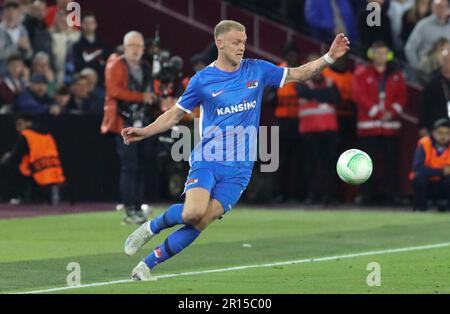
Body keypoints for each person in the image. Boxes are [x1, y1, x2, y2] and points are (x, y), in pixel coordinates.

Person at [121, 20, 350, 280]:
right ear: (220, 43)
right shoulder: (202, 80)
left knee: (201, 221)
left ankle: (146, 266)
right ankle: (150, 227)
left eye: (244, 42)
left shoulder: (257, 70)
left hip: (240, 170)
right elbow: (175, 114)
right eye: (236, 42)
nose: (242, 47)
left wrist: (330, 57)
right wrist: (145, 131)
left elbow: (300, 73)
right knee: (192, 212)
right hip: (209, 159)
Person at [100, 31, 158, 224]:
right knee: (130, 165)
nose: (136, 49)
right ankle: (129, 207)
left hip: (143, 122)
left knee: (141, 164)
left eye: (139, 46)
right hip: (123, 122)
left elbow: (151, 90)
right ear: (125, 48)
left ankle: (139, 204)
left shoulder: (145, 66)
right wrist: (142, 97)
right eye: (132, 45)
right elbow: (114, 90)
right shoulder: (116, 64)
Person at [352, 41, 407, 205]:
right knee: (365, 165)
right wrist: (377, 112)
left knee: (391, 164)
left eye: (384, 53)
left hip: (390, 128)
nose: (381, 56)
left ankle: (392, 197)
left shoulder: (396, 75)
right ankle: (365, 196)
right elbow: (358, 96)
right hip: (369, 129)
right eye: (378, 52)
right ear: (371, 54)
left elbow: (402, 97)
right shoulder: (361, 73)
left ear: (388, 55)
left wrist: (393, 112)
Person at [297, 54, 341, 205]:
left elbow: (336, 99)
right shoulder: (302, 83)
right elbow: (306, 93)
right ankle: (311, 195)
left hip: (328, 130)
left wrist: (316, 96)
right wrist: (324, 95)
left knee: (329, 165)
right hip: (309, 131)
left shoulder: (330, 81)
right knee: (310, 165)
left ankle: (328, 195)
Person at [0, 114, 65, 203]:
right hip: (55, 172)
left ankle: (18, 196)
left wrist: (7, 157)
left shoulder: (27, 135)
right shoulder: (47, 135)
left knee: (6, 165)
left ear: (28, 123)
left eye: (20, 124)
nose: (17, 128)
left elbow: (16, 156)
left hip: (37, 172)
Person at [410, 118, 450, 211]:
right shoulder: (424, 143)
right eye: (440, 133)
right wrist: (442, 171)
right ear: (434, 133)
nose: (443, 136)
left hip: (444, 184)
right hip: (427, 183)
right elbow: (418, 168)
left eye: (447, 133)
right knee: (418, 177)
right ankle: (421, 208)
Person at [404, 0, 450, 69]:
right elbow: (409, 48)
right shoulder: (423, 25)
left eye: (445, 6)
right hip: (427, 70)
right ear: (433, 8)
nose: (442, 9)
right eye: (439, 6)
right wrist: (418, 67)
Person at [418, 47, 450, 135]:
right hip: (435, 126)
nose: (448, 63)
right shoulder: (432, 81)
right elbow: (423, 104)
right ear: (442, 62)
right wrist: (422, 126)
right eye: (446, 60)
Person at [72, 12, 110, 85]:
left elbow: (108, 63)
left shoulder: (103, 44)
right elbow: (78, 66)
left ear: (95, 25)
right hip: (83, 84)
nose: (89, 26)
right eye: (86, 23)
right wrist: (98, 63)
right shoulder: (77, 46)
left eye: (91, 23)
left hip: (101, 83)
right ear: (82, 25)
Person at [0, 0, 33, 75]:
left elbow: (29, 55)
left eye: (14, 10)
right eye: (8, 10)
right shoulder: (0, 30)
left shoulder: (22, 29)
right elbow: (1, 54)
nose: (11, 13)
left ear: (18, 12)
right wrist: (17, 44)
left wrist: (27, 49)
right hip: (3, 72)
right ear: (4, 12)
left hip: (19, 72)